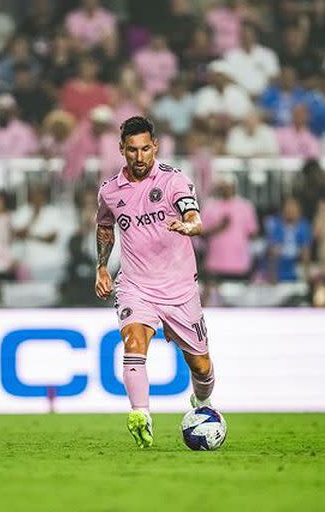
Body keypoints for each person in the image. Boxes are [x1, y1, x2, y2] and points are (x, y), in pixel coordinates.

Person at [95, 116, 215, 449]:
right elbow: (105, 227)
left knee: (201, 366)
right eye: (132, 149)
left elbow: (192, 214)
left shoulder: (174, 180)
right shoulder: (109, 191)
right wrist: (102, 267)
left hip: (179, 288)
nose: (139, 156)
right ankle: (140, 415)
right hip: (135, 285)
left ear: (155, 147)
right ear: (121, 150)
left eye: (145, 148)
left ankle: (202, 405)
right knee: (133, 343)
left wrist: (191, 225)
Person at [201, 175, 259, 280]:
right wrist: (218, 228)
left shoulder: (245, 206)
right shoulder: (209, 206)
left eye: (228, 186)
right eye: (222, 187)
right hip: (215, 264)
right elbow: (201, 234)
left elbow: (253, 233)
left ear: (234, 187)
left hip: (240, 264)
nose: (225, 190)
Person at [264, 197, 312, 283]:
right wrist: (272, 279)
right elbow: (272, 253)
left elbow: (306, 252)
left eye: (294, 209)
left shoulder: (303, 226)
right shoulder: (275, 224)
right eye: (288, 208)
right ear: (283, 211)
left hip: (293, 272)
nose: (291, 211)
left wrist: (307, 277)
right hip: (275, 272)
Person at [0, 94, 40, 159]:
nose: (1, 114)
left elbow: (25, 153)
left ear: (13, 111)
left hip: (17, 166)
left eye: (5, 111)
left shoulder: (23, 130)